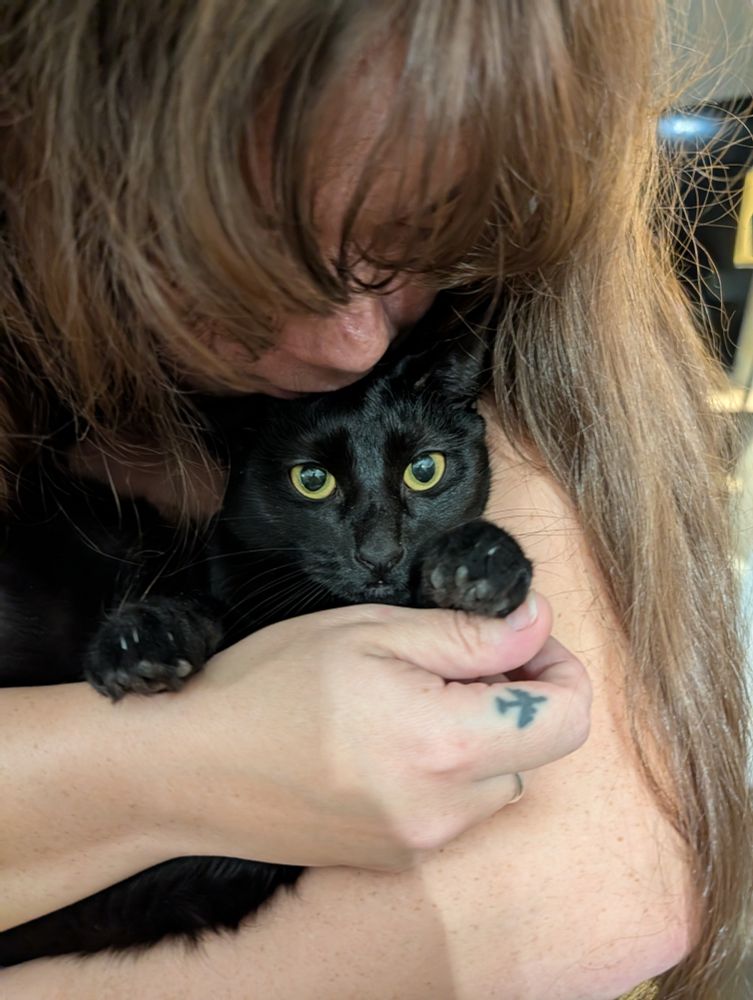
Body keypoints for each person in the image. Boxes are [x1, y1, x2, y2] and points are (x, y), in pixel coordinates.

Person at [0, 1, 749, 997]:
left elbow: (597, 887)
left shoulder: (506, 355)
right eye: (241, 255)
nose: (355, 343)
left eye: (421, 246)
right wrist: (181, 759)